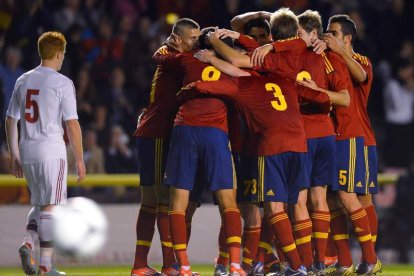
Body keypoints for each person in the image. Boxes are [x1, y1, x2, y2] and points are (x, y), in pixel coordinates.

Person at [5, 31, 86, 276]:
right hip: (51, 150)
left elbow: (10, 120)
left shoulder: (23, 79)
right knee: (52, 207)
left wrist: (14, 154)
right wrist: (80, 159)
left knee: (40, 204)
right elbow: (72, 124)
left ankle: (28, 243)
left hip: (28, 151)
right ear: (59, 54)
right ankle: (45, 267)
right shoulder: (62, 82)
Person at [131, 18, 200, 276]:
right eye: (193, 38)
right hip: (159, 133)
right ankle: (170, 266)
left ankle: (141, 265)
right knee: (163, 201)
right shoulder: (175, 59)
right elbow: (168, 57)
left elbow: (159, 55)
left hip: (153, 132)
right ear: (178, 39)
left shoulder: (167, 54)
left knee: (152, 201)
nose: (197, 42)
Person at [323, 14, 382, 275]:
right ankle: (344, 261)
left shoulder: (361, 61)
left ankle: (370, 258)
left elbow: (359, 76)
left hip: (361, 138)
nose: (328, 36)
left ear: (347, 38)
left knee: (362, 199)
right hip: (336, 136)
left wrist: (338, 51)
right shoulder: (329, 59)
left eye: (333, 33)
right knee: (334, 199)